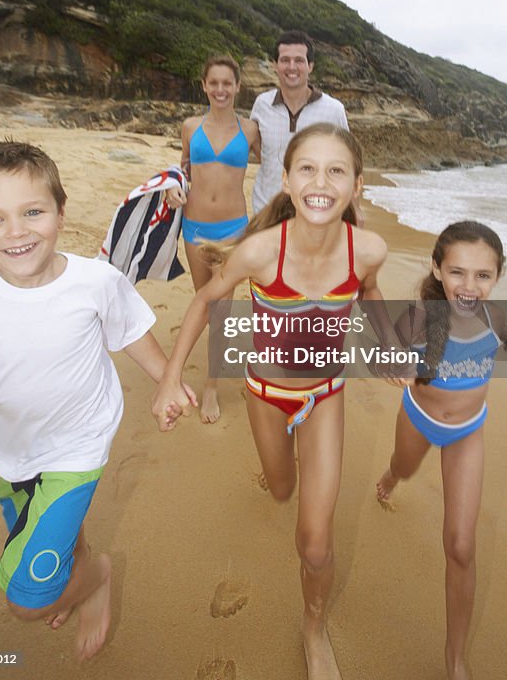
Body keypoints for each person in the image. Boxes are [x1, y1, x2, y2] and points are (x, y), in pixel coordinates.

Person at [153, 124, 388, 680]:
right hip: (265, 395)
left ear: (357, 185)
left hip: (326, 399)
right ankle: (282, 467)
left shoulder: (368, 251)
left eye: (337, 171)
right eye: (307, 168)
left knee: (314, 544)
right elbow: (205, 303)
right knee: (282, 489)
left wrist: (394, 346)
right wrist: (169, 379)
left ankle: (313, 627)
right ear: (285, 179)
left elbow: (372, 293)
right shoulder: (259, 252)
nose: (321, 182)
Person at [0, 141, 175, 662]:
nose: (17, 232)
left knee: (27, 601)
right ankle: (82, 571)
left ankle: (97, 576)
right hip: (10, 452)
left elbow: (131, 330)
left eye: (32, 212)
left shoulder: (93, 282)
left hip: (78, 447)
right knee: (59, 535)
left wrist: (166, 382)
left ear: (60, 213)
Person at [375, 221, 507, 680]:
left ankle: (454, 659)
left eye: (483, 275)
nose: (469, 286)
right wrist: (389, 363)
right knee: (404, 466)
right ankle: (391, 477)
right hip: (419, 421)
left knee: (460, 545)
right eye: (457, 272)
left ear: (497, 277)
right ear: (437, 269)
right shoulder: (419, 317)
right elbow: (384, 353)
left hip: (467, 435)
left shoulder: (497, 320)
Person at [164, 54, 260, 423]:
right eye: (214, 83)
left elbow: (280, 163)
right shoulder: (190, 126)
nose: (221, 89)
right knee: (202, 304)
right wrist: (173, 187)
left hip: (234, 230)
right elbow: (183, 167)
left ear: (237, 87)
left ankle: (211, 387)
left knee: (220, 311)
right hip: (195, 227)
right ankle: (175, 370)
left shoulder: (250, 129)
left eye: (227, 83)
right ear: (204, 86)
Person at [251, 30, 348, 215]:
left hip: (314, 215)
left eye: (299, 60)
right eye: (285, 60)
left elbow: (348, 163)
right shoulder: (262, 104)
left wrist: (354, 208)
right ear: (275, 64)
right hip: (265, 213)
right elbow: (257, 149)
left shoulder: (334, 110)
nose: (292, 67)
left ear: (310, 66)